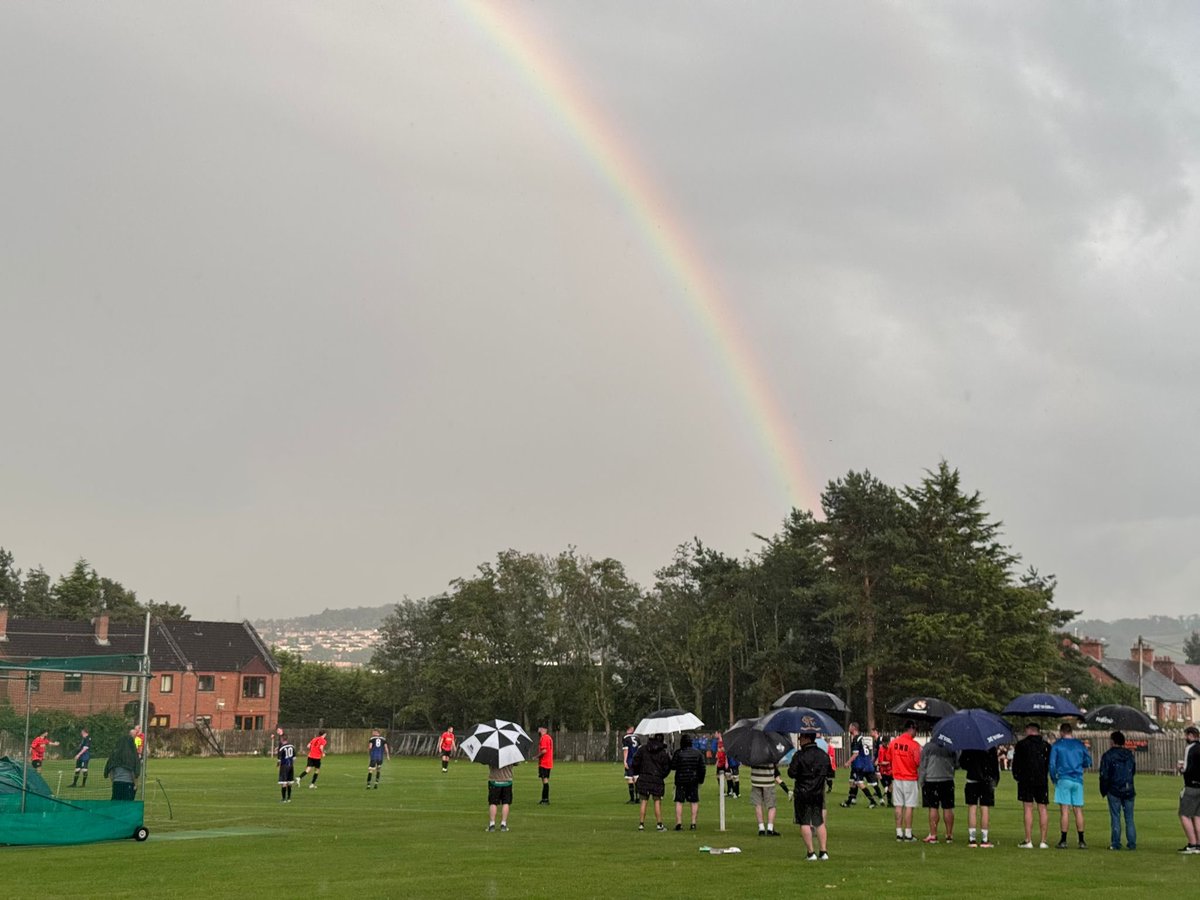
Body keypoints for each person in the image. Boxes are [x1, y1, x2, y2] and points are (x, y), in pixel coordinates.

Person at [788, 730, 833, 861]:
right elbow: (829, 772)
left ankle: (810, 852)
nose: (799, 739)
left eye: (801, 737)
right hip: (818, 792)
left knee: (804, 822)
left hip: (803, 792)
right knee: (819, 821)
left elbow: (792, 773)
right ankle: (823, 851)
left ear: (807, 738)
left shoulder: (800, 755)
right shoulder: (823, 755)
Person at [1049, 721, 1092, 849]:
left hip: (1063, 778)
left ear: (1062, 732)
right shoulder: (1079, 745)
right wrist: (1079, 765)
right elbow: (1088, 761)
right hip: (1077, 779)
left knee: (1064, 811)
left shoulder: (1057, 745)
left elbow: (1052, 764)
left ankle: (1063, 840)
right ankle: (1081, 840)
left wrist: (1053, 778)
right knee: (1078, 810)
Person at [1013, 721, 1052, 848]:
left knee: (1028, 808)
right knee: (1042, 808)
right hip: (1041, 779)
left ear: (1029, 730)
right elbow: (1048, 764)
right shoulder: (1045, 746)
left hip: (1026, 779)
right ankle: (1043, 841)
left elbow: (1016, 764)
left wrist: (1017, 776)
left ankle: (1028, 839)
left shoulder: (1021, 745)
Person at [1098, 731, 1136, 850]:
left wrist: (1103, 790)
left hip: (1114, 789)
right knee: (1129, 818)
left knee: (1115, 816)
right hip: (1128, 788)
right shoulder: (1130, 755)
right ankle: (1132, 843)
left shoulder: (1108, 755)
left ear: (1113, 741)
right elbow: (1133, 770)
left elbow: (1104, 775)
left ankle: (1115, 842)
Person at [918, 739, 957, 843]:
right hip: (947, 779)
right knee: (948, 807)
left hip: (931, 779)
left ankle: (933, 834)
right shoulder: (950, 745)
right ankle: (949, 834)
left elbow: (923, 765)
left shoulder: (928, 747)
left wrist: (921, 780)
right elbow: (956, 762)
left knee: (933, 807)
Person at [959, 746, 1000, 847]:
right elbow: (995, 765)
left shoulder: (969, 746)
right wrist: (995, 780)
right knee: (984, 808)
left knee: (972, 808)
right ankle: (984, 839)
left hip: (972, 778)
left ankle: (972, 839)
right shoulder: (990, 747)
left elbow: (962, 763)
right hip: (986, 780)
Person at [888, 721, 922, 842]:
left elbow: (889, 758)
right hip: (910, 778)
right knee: (909, 806)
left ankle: (898, 832)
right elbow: (918, 762)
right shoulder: (914, 745)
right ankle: (908, 833)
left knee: (898, 805)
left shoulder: (894, 743)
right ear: (911, 729)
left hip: (897, 777)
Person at [632, 733, 672, 831]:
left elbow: (635, 762)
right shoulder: (663, 753)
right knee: (657, 801)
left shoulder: (642, 750)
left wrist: (639, 772)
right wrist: (661, 775)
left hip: (644, 778)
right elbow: (667, 767)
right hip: (657, 779)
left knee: (643, 801)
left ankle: (641, 824)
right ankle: (659, 824)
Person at [841, 722, 882, 809]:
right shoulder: (861, 738)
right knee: (852, 782)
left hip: (860, 765)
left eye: (850, 727)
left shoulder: (856, 739)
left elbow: (855, 754)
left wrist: (848, 762)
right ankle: (848, 801)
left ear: (854, 728)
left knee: (859, 783)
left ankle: (872, 801)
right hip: (864, 764)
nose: (849, 728)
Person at [670, 734, 706, 830]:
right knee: (694, 801)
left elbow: (673, 766)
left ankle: (679, 823)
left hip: (681, 780)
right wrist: (700, 779)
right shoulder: (697, 753)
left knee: (679, 801)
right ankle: (693, 823)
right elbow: (702, 768)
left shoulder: (678, 753)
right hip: (693, 780)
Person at [749, 758, 789, 837]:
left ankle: (761, 828)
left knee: (758, 804)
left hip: (756, 780)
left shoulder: (753, 753)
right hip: (768, 781)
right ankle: (770, 828)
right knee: (771, 805)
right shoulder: (770, 753)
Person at [1177, 724, 1200, 854]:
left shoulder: (1190, 748)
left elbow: (1186, 768)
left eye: (1186, 735)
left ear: (1191, 736)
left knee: (1184, 814)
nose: (1185, 737)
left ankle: (1192, 844)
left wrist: (1180, 768)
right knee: (1198, 815)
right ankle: (1199, 845)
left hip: (1191, 786)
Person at [104, 728, 140, 800]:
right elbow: (133, 772)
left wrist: (114, 781)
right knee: (127, 804)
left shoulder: (114, 756)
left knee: (116, 804)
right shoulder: (132, 756)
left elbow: (111, 771)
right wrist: (135, 784)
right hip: (128, 783)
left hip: (116, 783)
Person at [487, 760, 517, 832]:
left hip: (494, 780)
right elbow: (516, 763)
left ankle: (492, 824)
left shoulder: (492, 754)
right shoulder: (510, 754)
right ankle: (503, 824)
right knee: (506, 803)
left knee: (493, 803)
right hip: (507, 781)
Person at [875, 731, 894, 807]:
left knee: (891, 786)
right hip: (884, 772)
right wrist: (889, 762)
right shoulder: (881, 750)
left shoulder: (890, 748)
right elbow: (881, 762)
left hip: (891, 771)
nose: (887, 744)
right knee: (888, 786)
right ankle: (888, 802)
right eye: (885, 743)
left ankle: (889, 802)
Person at [622, 727, 639, 803]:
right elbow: (639, 750)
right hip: (637, 760)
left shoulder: (626, 738)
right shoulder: (637, 737)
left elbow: (626, 750)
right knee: (636, 778)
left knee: (630, 778)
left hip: (630, 760)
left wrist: (625, 761)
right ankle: (638, 798)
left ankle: (632, 799)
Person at [537, 726, 554, 804]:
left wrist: (537, 756)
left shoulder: (544, 738)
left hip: (544, 762)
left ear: (543, 729)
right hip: (548, 762)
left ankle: (545, 799)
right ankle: (544, 799)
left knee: (545, 780)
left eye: (539, 728)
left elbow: (544, 751)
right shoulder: (549, 737)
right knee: (545, 780)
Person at [277, 733, 296, 803]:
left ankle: (283, 799)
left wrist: (278, 766)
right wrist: (291, 764)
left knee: (284, 782)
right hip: (291, 766)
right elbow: (294, 758)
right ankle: (289, 798)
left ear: (282, 739)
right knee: (290, 782)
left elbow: (279, 760)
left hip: (284, 766)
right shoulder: (292, 746)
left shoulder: (281, 748)